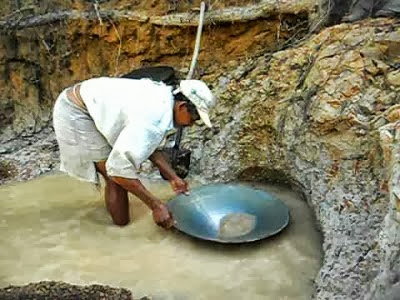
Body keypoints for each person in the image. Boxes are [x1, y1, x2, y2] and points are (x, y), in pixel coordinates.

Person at [52, 76, 215, 228]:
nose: (192, 124)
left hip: (92, 100)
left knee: (119, 172)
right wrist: (156, 206)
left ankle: (120, 225)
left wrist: (173, 177)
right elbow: (117, 170)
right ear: (182, 106)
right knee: (115, 179)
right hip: (76, 109)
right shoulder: (153, 120)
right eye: (193, 119)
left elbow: (148, 144)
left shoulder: (166, 98)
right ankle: (121, 232)